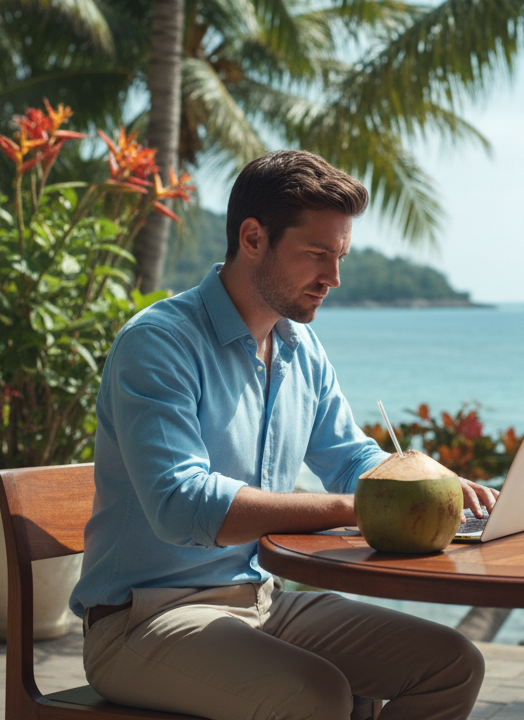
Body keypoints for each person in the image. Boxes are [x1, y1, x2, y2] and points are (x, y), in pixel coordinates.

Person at [70, 150, 498, 720]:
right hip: (144, 619)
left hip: (262, 602)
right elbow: (181, 504)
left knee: (452, 664)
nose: (334, 279)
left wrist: (431, 486)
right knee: (315, 695)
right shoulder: (158, 344)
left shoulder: (301, 349)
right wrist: (356, 509)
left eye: (340, 255)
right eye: (318, 254)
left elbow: (351, 458)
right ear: (253, 238)